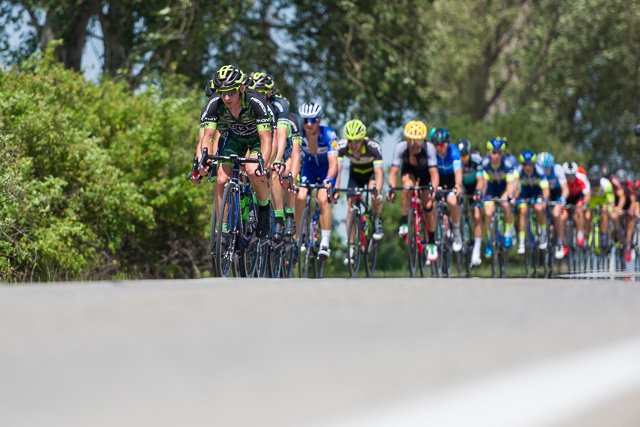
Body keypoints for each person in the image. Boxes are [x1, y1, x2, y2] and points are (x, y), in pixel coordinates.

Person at [194, 65, 273, 240]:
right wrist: (204, 162)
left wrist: (263, 164)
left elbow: (266, 140)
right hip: (234, 139)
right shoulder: (215, 103)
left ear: (242, 88)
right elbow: (207, 138)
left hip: (256, 140)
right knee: (220, 179)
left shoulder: (256, 101)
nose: (227, 97)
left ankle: (264, 207)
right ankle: (223, 232)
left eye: (231, 92)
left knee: (253, 171)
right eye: (222, 93)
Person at [387, 120, 440, 262]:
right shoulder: (400, 147)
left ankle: (432, 243)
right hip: (409, 171)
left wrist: (433, 190)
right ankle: (405, 221)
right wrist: (391, 188)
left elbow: (434, 173)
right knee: (407, 186)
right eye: (411, 141)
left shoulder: (429, 148)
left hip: (425, 174)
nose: (414, 145)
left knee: (428, 206)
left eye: (417, 141)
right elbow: (393, 172)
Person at [333, 119, 385, 264]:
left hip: (371, 176)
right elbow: (338, 169)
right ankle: (350, 248)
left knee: (373, 191)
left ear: (362, 139)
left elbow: (379, 173)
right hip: (355, 176)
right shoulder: (342, 146)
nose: (353, 145)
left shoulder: (373, 147)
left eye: (356, 141)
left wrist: (378, 192)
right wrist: (335, 189)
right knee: (350, 208)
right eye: (350, 141)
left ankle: (378, 220)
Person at [250, 72, 294, 240]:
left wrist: (276, 160)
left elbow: (280, 136)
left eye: (261, 92)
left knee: (274, 173)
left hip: (278, 143)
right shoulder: (251, 103)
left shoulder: (279, 105)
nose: (257, 95)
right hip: (259, 140)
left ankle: (279, 217)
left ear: (268, 93)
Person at [296, 102, 339, 260]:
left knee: (322, 199)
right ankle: (303, 233)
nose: (308, 124)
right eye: (305, 120)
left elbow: (334, 163)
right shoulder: (300, 133)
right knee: (300, 196)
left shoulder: (329, 134)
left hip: (326, 169)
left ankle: (325, 243)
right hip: (309, 168)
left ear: (319, 120)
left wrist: (328, 179)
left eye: (312, 120)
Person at [481, 137, 517, 258]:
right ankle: (490, 241)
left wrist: (508, 194)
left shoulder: (508, 163)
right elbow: (484, 183)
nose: (496, 156)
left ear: (503, 154)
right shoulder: (484, 163)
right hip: (492, 188)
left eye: (499, 153)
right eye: (493, 153)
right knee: (488, 211)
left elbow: (511, 184)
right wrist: (482, 195)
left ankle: (508, 232)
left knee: (505, 203)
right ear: (488, 153)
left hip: (504, 187)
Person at [432, 128, 463, 252]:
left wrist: (458, 185)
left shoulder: (453, 152)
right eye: (436, 145)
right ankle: (433, 233)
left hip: (451, 179)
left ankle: (456, 231)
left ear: (448, 144)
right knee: (430, 202)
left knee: (452, 201)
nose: (439, 148)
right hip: (437, 178)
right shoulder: (432, 153)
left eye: (442, 144)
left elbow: (458, 171)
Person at [457, 139, 486, 265]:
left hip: (474, 186)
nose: (463, 160)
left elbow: (481, 180)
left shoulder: (475, 159)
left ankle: (476, 250)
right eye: (460, 157)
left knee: (477, 214)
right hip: (461, 185)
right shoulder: (455, 161)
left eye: (465, 156)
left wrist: (478, 192)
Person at [536, 152, 569, 259]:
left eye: (547, 168)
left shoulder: (557, 169)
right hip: (542, 192)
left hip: (556, 193)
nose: (544, 171)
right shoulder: (536, 170)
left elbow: (565, 189)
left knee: (556, 213)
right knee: (538, 208)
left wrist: (562, 200)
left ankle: (559, 242)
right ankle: (542, 231)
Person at [515, 150, 548, 255]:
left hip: (537, 191)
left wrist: (545, 200)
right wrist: (514, 198)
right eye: (525, 164)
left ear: (534, 164)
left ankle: (543, 233)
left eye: (530, 164)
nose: (527, 167)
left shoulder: (539, 170)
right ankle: (521, 243)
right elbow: (515, 187)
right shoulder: (518, 170)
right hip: (525, 191)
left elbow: (545, 189)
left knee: (538, 208)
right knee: (523, 210)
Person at [609, 168, 637, 262]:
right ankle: (616, 232)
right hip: (618, 203)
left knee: (631, 219)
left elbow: (633, 201)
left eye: (624, 183)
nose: (623, 186)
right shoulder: (613, 186)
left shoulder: (630, 185)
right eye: (621, 184)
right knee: (615, 215)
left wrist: (631, 210)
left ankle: (628, 245)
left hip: (628, 204)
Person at [561, 161, 591, 249]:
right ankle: (563, 241)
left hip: (577, 197)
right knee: (563, 216)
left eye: (572, 175)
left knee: (579, 210)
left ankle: (580, 234)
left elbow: (587, 194)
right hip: (566, 198)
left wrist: (584, 204)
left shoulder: (582, 177)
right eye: (568, 175)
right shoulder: (561, 180)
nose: (570, 178)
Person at [586, 165, 615, 252]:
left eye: (596, 185)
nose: (594, 188)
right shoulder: (587, 185)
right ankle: (586, 235)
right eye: (592, 186)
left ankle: (604, 235)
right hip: (592, 201)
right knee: (587, 215)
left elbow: (611, 202)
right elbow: (585, 198)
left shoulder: (606, 184)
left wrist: (610, 209)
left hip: (603, 200)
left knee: (604, 211)